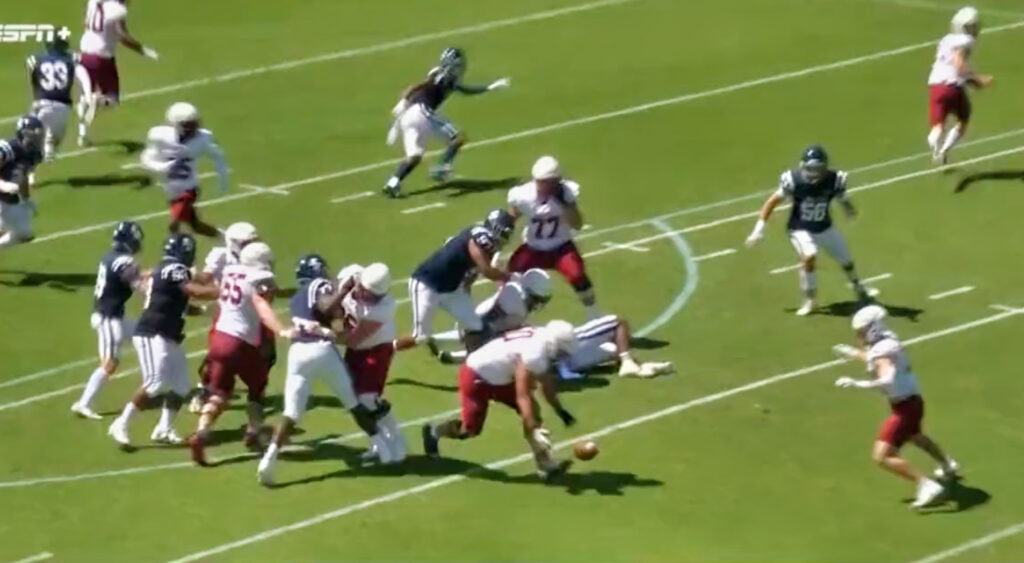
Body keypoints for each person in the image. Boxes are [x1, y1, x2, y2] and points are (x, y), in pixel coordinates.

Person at [257, 255, 391, 486]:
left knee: (292, 413)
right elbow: (326, 308)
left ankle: (269, 458)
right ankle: (384, 449)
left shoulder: (296, 297)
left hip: (298, 353)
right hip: (320, 348)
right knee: (353, 402)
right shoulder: (319, 285)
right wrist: (344, 290)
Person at [833, 305, 960, 509]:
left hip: (905, 407)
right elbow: (875, 358)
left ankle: (926, 484)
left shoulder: (883, 349)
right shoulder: (887, 341)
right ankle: (947, 465)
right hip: (912, 402)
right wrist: (852, 353)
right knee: (915, 436)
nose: (859, 336)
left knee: (881, 456)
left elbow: (887, 378)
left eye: (861, 331)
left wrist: (859, 384)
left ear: (872, 329)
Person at [422, 321, 578, 479]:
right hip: (476, 376)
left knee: (534, 414)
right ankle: (434, 431)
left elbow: (545, 382)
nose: (560, 356)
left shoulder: (541, 339)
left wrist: (560, 410)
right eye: (561, 351)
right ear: (554, 344)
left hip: (500, 376)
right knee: (469, 430)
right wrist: (533, 428)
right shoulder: (536, 352)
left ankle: (545, 464)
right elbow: (522, 395)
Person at [107, 234, 220, 448]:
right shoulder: (176, 269)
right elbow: (191, 290)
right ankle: (121, 423)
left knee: (181, 386)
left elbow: (177, 303)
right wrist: (222, 292)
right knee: (155, 382)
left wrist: (205, 311)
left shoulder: (165, 270)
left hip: (167, 332)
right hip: (153, 332)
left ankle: (164, 428)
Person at [189, 243, 296, 466]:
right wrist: (280, 329)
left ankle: (201, 432)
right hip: (242, 341)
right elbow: (263, 307)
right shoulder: (261, 277)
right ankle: (255, 430)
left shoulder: (230, 270)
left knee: (219, 392)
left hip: (219, 338)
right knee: (256, 389)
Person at [745, 145, 870, 316]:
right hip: (800, 228)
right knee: (809, 255)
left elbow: (840, 196)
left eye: (818, 168)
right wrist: (758, 229)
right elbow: (771, 202)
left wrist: (848, 208)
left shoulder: (834, 179)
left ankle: (857, 286)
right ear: (803, 166)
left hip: (825, 227)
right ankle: (810, 300)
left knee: (846, 259)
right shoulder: (794, 180)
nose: (814, 173)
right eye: (810, 168)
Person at [381, 47, 510, 197]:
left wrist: (488, 87)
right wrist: (404, 99)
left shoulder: (444, 76)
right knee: (458, 138)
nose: (460, 68)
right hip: (423, 113)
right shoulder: (442, 76)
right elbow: (419, 86)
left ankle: (393, 182)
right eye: (458, 65)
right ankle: (441, 166)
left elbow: (463, 90)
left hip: (409, 117)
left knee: (415, 157)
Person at [395, 208, 514, 353]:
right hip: (427, 284)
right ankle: (388, 349)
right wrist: (509, 277)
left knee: (476, 327)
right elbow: (486, 270)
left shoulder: (482, 240)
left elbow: (472, 272)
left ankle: (473, 361)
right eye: (503, 232)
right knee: (420, 336)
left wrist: (466, 292)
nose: (503, 238)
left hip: (451, 289)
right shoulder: (480, 238)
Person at [507, 156, 600, 320]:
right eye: (539, 181)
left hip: (561, 247)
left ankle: (594, 315)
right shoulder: (524, 195)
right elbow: (511, 217)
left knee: (578, 275)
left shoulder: (567, 194)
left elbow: (577, 224)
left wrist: (565, 204)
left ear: (556, 181)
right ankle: (509, 316)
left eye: (546, 182)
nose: (542, 186)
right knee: (511, 276)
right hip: (533, 248)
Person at [71, 221, 146, 419]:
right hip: (108, 318)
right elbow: (137, 283)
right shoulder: (123, 262)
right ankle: (83, 403)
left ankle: (154, 378)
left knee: (146, 336)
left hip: (116, 315)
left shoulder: (110, 257)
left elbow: (130, 276)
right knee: (110, 363)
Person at [189, 222, 260, 413]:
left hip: (249, 312)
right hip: (226, 312)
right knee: (216, 355)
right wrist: (187, 275)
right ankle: (204, 389)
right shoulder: (221, 255)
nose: (251, 246)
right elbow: (205, 278)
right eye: (246, 242)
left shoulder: (255, 257)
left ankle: (243, 389)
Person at [139, 102, 229, 238]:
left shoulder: (202, 139)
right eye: (187, 125)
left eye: (194, 124)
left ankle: (174, 250)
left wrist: (223, 181)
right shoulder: (160, 137)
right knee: (195, 226)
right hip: (171, 190)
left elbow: (218, 156)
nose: (192, 129)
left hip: (189, 188)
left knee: (175, 223)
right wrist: (163, 167)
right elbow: (146, 159)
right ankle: (226, 238)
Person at [426, 268, 552, 364]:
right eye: (536, 298)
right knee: (507, 347)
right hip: (481, 325)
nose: (537, 303)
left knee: (522, 333)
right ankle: (455, 355)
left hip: (480, 321)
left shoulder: (518, 287)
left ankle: (436, 341)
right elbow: (487, 322)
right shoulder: (515, 301)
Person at [77, 0, 159, 146]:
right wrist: (143, 50)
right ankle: (99, 100)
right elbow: (122, 36)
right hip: (102, 58)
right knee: (112, 100)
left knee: (84, 97)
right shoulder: (118, 9)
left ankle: (82, 135)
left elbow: (87, 22)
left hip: (84, 54)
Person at [927, 6, 992, 165]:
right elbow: (958, 65)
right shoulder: (966, 41)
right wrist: (978, 79)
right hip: (952, 86)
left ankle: (934, 141)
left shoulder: (946, 39)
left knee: (938, 126)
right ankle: (944, 150)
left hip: (936, 85)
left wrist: (972, 81)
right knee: (963, 118)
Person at [556, 315, 674, 380]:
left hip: (560, 365)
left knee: (612, 349)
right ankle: (627, 362)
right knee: (618, 322)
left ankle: (639, 366)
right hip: (568, 352)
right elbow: (618, 323)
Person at [25, 36, 79, 162]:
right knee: (55, 140)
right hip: (62, 106)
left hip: (41, 103)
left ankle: (30, 167)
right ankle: (48, 141)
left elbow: (30, 73)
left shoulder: (36, 59)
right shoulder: (71, 59)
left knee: (32, 139)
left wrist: (34, 95)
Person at [0, 116, 44, 249]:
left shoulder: (34, 154)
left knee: (24, 233)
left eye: (38, 135)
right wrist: (3, 185)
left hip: (8, 198)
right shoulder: (9, 148)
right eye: (33, 135)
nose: (36, 139)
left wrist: (26, 199)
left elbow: (22, 176)